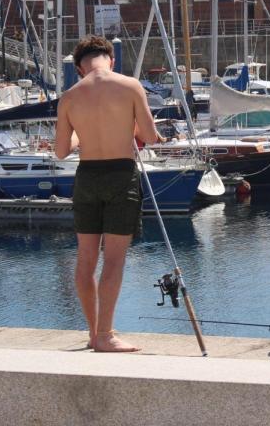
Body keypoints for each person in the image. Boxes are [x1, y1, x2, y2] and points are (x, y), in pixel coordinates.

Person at [55, 35, 161, 353]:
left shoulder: (70, 97)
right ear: (111, 59)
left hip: (87, 176)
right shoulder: (129, 86)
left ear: (79, 68)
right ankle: (106, 335)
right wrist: (127, 128)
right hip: (120, 175)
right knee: (113, 260)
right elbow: (151, 136)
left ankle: (93, 333)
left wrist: (80, 139)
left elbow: (61, 151)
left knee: (85, 259)